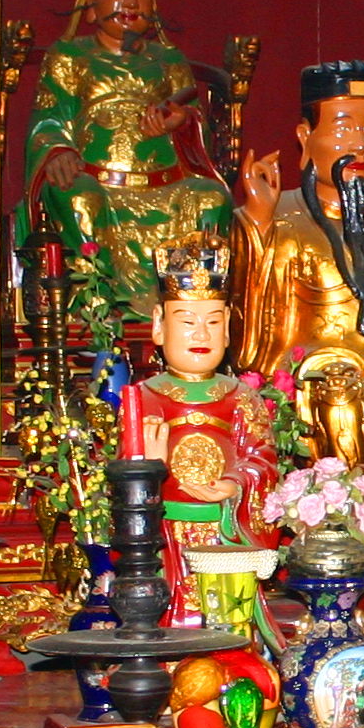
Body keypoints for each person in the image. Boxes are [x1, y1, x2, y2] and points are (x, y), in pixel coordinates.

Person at [27, 0, 234, 336]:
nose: (131, 2)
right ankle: (100, 311)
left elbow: (197, 125)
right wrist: (59, 151)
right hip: (99, 183)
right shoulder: (70, 56)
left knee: (210, 198)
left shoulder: (168, 59)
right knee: (79, 197)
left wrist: (181, 122)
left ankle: (186, 308)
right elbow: (49, 117)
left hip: (165, 186)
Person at [234, 60, 364, 467]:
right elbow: (253, 340)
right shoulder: (282, 217)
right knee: (341, 396)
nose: (361, 145)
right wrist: (257, 222)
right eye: (343, 128)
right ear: (305, 137)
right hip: (313, 376)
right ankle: (341, 519)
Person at [119, 242, 278, 565]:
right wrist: (148, 467)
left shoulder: (242, 397)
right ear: (159, 325)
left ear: (228, 327)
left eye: (214, 323)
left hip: (225, 530)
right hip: (165, 535)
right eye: (188, 323)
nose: (202, 335)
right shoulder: (144, 397)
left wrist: (235, 485)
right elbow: (121, 476)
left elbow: (263, 461)